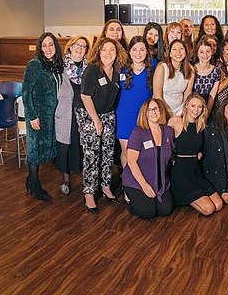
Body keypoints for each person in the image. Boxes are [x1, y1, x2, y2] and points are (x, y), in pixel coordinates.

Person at [79, 37, 126, 213]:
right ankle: (89, 193)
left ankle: (106, 186)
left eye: (112, 50)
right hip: (90, 115)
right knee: (92, 154)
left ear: (117, 53)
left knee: (108, 152)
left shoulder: (117, 71)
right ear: (98, 51)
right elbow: (85, 96)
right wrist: (96, 120)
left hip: (108, 115)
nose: (108, 53)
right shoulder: (92, 70)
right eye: (104, 50)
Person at [22, 32, 64, 201]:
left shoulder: (54, 64)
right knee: (35, 150)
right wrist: (32, 116)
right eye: (44, 45)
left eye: (51, 45)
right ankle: (34, 183)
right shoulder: (35, 64)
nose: (48, 48)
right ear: (40, 47)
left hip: (50, 115)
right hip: (37, 114)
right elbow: (26, 93)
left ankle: (31, 180)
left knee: (43, 149)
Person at [168, 94, 222, 215]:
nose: (196, 110)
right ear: (186, 105)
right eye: (193, 106)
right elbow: (165, 143)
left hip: (196, 170)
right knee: (209, 209)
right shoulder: (176, 121)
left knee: (218, 205)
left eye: (199, 107)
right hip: (181, 172)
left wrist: (200, 153)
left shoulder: (201, 124)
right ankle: (186, 196)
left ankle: (195, 197)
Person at [122, 98, 175, 219]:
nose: (153, 112)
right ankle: (130, 199)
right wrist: (144, 185)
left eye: (156, 109)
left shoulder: (168, 131)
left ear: (161, 111)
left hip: (160, 181)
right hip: (137, 181)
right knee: (148, 212)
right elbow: (131, 161)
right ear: (144, 113)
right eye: (149, 110)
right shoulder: (138, 132)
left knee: (165, 210)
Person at [55, 36, 89, 195]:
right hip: (65, 112)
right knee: (65, 147)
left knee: (82, 146)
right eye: (77, 45)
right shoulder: (60, 66)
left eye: (83, 46)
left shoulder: (89, 68)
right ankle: (66, 179)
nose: (80, 48)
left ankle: (85, 179)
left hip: (83, 111)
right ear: (70, 47)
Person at [116, 36, 154, 170]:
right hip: (124, 117)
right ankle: (127, 184)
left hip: (144, 117)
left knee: (143, 152)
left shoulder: (152, 69)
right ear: (129, 51)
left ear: (147, 52)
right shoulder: (121, 69)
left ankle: (140, 184)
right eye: (135, 49)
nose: (138, 53)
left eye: (142, 49)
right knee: (127, 152)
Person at [153, 39, 194, 116]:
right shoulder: (161, 68)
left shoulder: (190, 69)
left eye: (181, 49)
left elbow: (187, 95)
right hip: (162, 110)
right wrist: (167, 114)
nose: (178, 52)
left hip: (180, 110)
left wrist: (182, 113)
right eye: (174, 49)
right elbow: (157, 96)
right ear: (170, 54)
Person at [190, 38, 222, 113]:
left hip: (208, 107)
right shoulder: (191, 69)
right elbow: (188, 93)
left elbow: (212, 96)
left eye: (208, 52)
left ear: (212, 52)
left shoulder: (216, 71)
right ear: (197, 53)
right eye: (201, 52)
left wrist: (205, 114)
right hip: (192, 107)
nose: (205, 55)